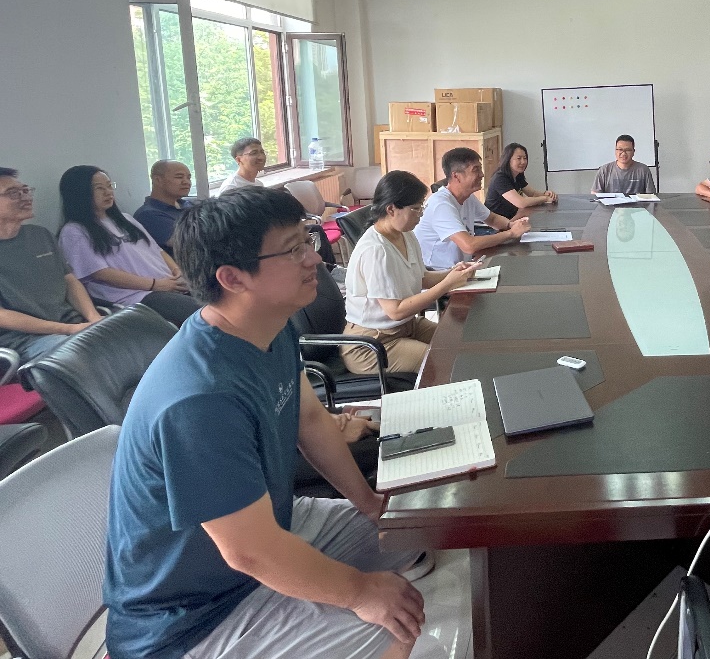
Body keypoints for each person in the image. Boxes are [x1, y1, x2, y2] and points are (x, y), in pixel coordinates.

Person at [103, 187, 426, 659]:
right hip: (192, 617)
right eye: (293, 249)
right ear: (232, 278)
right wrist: (360, 593)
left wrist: (369, 503)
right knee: (403, 627)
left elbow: (309, 418)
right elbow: (249, 552)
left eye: (307, 239)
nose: (314, 258)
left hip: (272, 527)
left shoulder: (270, 326)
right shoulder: (200, 399)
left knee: (417, 534)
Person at [343, 170, 477, 375]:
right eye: (416, 209)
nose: (421, 214)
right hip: (372, 343)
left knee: (459, 339)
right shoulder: (376, 250)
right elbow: (395, 311)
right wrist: (448, 284)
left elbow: (422, 278)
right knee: (439, 360)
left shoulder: (405, 235)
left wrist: (454, 273)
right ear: (391, 209)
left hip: (405, 326)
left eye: (422, 207)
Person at [57, 165, 201, 326]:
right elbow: (101, 273)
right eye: (99, 188)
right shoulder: (74, 231)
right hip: (138, 296)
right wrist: (155, 285)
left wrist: (177, 271)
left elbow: (157, 251)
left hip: (168, 284)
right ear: (79, 193)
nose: (108, 192)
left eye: (109, 186)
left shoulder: (126, 219)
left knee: (219, 299)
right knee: (204, 314)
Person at [0, 167, 102, 364]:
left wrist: (94, 318)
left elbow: (69, 280)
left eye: (25, 190)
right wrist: (67, 329)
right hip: (24, 340)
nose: (25, 197)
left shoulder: (40, 235)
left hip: (72, 323)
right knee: (86, 355)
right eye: (13, 193)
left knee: (137, 334)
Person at [414, 148, 530, 269]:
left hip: (462, 267)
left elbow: (492, 219)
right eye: (476, 170)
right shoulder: (441, 204)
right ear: (456, 176)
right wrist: (511, 233)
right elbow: (469, 245)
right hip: (439, 273)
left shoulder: (467, 197)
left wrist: (511, 225)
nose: (482, 174)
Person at [133, 160, 194, 254]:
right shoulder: (148, 215)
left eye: (188, 178)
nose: (186, 182)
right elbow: (192, 243)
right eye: (179, 177)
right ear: (157, 180)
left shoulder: (188, 204)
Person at [484, 143, 557, 219]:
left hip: (510, 218)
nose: (523, 162)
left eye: (525, 158)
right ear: (508, 159)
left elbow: (533, 193)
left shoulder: (518, 174)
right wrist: (545, 199)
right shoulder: (500, 178)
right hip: (493, 222)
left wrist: (546, 194)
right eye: (519, 158)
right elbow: (521, 203)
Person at [591, 135, 656, 195]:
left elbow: (650, 195)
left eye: (628, 150)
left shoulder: (643, 170)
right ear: (615, 151)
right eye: (620, 149)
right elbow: (595, 194)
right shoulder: (604, 170)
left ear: (633, 152)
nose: (624, 153)